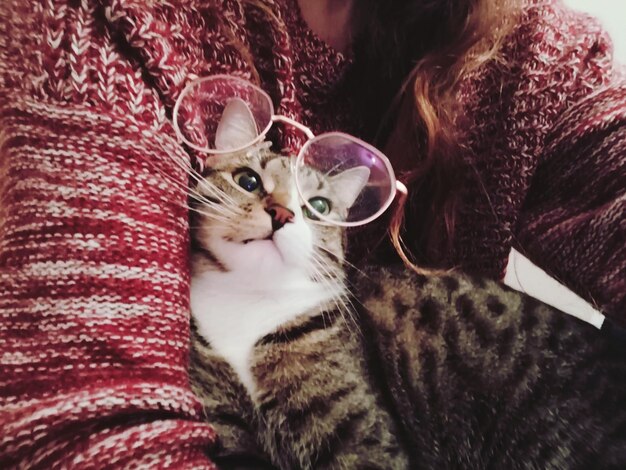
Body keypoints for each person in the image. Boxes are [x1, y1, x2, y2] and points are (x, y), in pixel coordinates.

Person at [0, 0, 623, 467]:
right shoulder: (100, 27)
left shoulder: (537, 54)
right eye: (252, 183)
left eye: (313, 206)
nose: (281, 209)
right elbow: (87, 427)